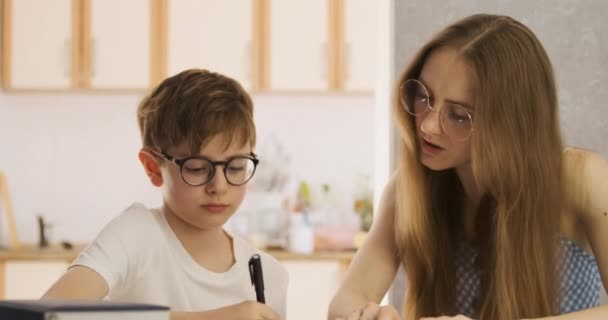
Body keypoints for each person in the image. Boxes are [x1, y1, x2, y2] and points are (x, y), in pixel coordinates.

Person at [328, 13, 608, 320]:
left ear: (510, 124)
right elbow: (344, 303)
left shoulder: (582, 179)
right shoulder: (408, 190)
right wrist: (367, 315)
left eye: (459, 115)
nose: (429, 126)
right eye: (423, 96)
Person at [43, 69, 288, 320]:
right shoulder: (135, 235)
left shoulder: (269, 275)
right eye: (197, 168)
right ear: (153, 167)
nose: (219, 185)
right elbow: (50, 314)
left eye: (236, 166)